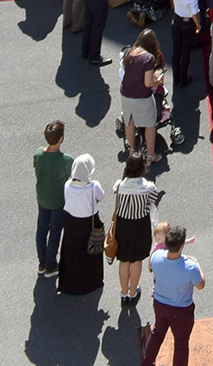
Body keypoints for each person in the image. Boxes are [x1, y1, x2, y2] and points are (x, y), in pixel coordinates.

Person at [139, 220, 206, 366]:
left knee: (157, 334)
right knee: (181, 344)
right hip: (182, 312)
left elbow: (150, 267)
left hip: (160, 305)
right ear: (182, 245)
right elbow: (201, 285)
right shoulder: (190, 267)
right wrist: (197, 263)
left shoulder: (156, 257)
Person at [111, 148, 162, 305]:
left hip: (123, 226)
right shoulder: (148, 187)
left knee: (124, 260)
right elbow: (153, 200)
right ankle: (133, 293)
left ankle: (124, 292)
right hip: (140, 226)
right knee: (137, 260)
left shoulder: (119, 186)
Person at [57, 153, 104, 296]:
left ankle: (70, 283)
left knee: (72, 254)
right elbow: (100, 197)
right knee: (91, 251)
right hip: (89, 223)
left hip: (71, 223)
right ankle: (91, 282)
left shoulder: (67, 184)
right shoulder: (93, 186)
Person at [34, 119, 72, 279]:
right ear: (61, 139)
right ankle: (51, 264)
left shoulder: (38, 154)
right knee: (55, 232)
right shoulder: (66, 159)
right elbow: (71, 177)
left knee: (42, 229)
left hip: (42, 197)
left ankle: (42, 262)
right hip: (58, 201)